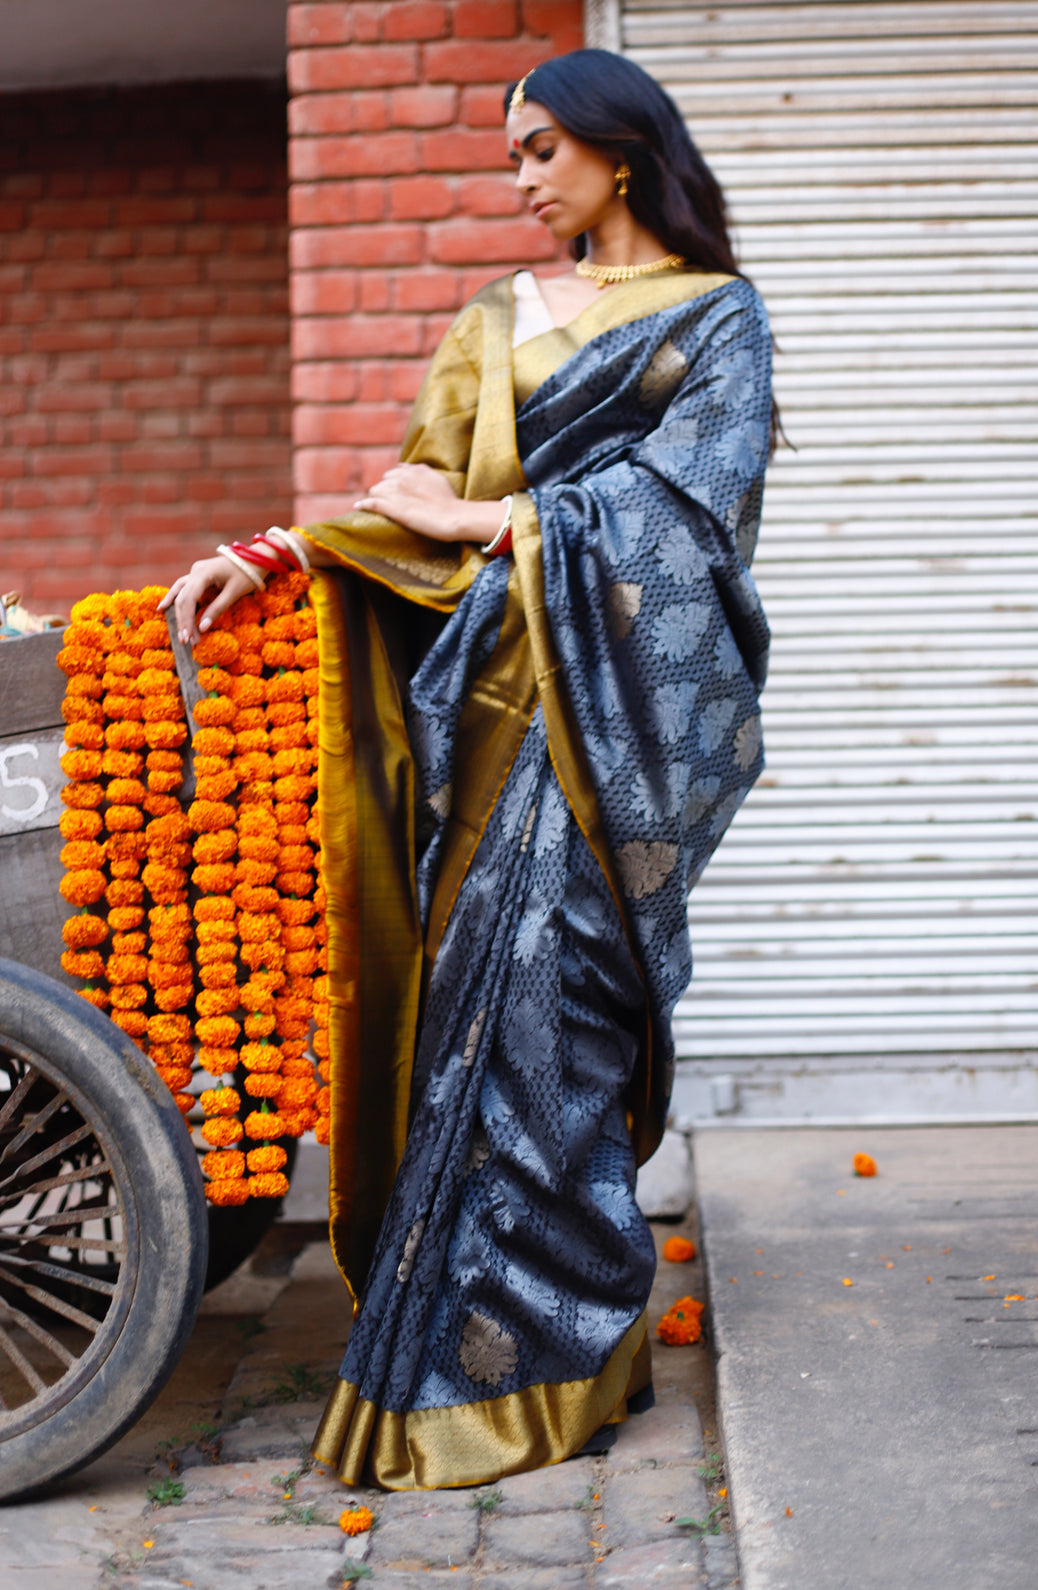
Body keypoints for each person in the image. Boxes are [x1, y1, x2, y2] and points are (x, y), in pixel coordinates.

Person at [163, 48, 773, 1491]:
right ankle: (468, 1349)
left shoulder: (719, 321)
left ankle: (564, 1351)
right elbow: (408, 505)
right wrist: (285, 550)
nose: (522, 178)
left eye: (542, 149)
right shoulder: (491, 322)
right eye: (513, 154)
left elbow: (691, 518)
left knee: (557, 1024)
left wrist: (499, 527)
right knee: (466, 1031)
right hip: (484, 720)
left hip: (605, 722)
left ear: (621, 153)